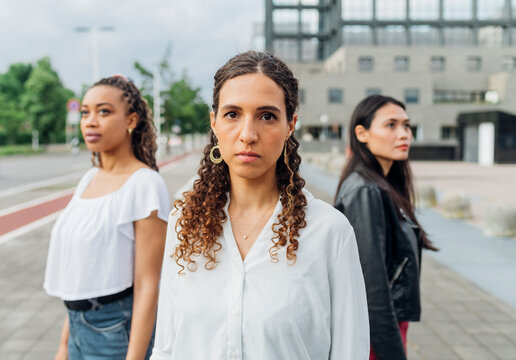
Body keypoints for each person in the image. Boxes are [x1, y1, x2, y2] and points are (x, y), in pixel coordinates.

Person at [151, 51, 369, 359]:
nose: (248, 135)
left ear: (290, 124)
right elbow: (165, 347)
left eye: (267, 116)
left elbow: (350, 350)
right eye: (232, 114)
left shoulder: (329, 232)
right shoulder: (185, 222)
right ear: (213, 123)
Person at [44, 75, 170, 360]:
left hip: (115, 330)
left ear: (131, 120)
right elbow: (83, 274)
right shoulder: (89, 178)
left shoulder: (145, 185)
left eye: (104, 111)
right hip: (77, 324)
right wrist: (64, 345)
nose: (90, 121)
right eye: (85, 112)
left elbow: (149, 283)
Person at [334, 95, 438, 360]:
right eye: (391, 125)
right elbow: (372, 283)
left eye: (406, 125)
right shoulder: (365, 191)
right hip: (375, 330)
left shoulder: (380, 183)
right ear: (362, 133)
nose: (403, 134)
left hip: (384, 325)